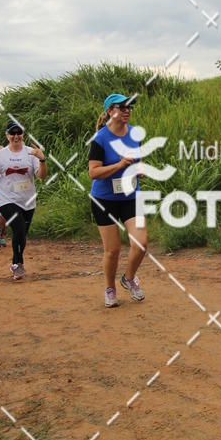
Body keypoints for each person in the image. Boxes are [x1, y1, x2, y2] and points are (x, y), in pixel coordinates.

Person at [89, 93, 147, 307]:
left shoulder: (134, 133)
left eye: (129, 107)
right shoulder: (100, 139)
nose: (127, 110)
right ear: (109, 111)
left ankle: (129, 278)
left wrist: (139, 170)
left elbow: (136, 161)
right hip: (104, 199)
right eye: (121, 107)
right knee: (112, 250)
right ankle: (110, 288)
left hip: (130, 196)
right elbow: (93, 173)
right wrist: (119, 165)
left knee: (141, 244)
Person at [0, 121, 47, 280]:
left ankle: (18, 262)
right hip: (6, 199)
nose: (16, 136)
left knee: (22, 234)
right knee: (18, 228)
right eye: (13, 133)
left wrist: (42, 160)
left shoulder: (31, 152)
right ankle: (17, 263)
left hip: (27, 200)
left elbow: (41, 176)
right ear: (7, 135)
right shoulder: (0, 156)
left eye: (19, 133)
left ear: (23, 134)